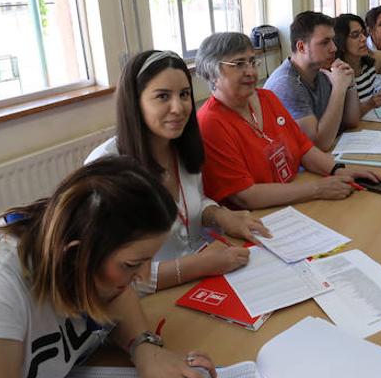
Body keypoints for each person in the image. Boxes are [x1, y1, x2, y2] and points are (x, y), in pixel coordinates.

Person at [0, 156, 217, 378]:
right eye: (132, 264)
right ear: (76, 254)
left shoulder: (68, 239)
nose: (141, 275)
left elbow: (118, 292)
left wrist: (144, 346)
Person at [85, 50, 270, 291]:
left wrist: (219, 215)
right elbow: (110, 273)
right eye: (163, 96)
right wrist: (199, 265)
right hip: (150, 300)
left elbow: (195, 200)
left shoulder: (181, 145)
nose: (178, 108)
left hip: (200, 280)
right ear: (135, 102)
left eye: (184, 95)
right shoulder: (105, 166)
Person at [196, 32, 381, 210]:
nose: (250, 71)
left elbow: (302, 147)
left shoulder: (266, 98)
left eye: (252, 62)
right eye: (238, 64)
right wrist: (317, 189)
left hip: (293, 200)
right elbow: (245, 196)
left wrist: (338, 170)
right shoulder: (210, 123)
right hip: (257, 217)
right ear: (212, 73)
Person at [263, 11, 360, 149]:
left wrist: (349, 83)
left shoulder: (321, 71)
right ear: (301, 47)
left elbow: (351, 121)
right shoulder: (286, 84)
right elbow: (319, 144)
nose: (334, 48)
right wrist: (338, 89)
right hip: (299, 168)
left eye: (332, 40)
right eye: (325, 42)